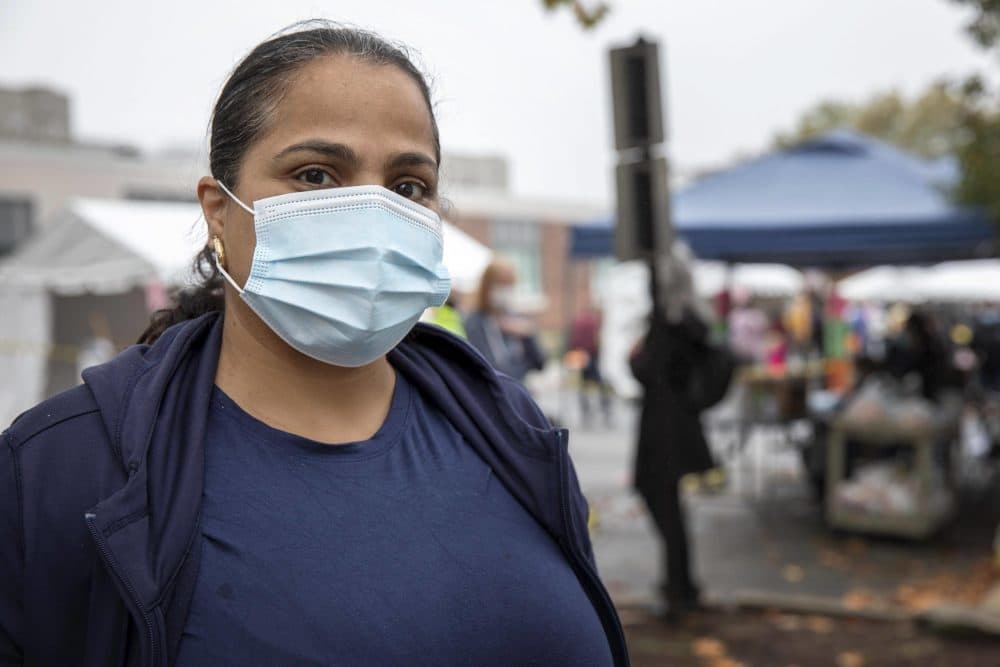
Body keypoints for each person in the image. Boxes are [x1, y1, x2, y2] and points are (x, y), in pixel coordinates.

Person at [0, 22, 626, 667]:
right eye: (317, 175)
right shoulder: (57, 470)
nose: (373, 216)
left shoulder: (511, 427)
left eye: (409, 186)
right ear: (220, 209)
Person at [464, 259, 546, 382]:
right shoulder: (476, 322)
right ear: (487, 287)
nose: (505, 290)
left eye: (509, 284)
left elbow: (540, 363)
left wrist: (528, 334)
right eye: (500, 284)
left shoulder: (517, 318)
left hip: (516, 392)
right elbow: (488, 367)